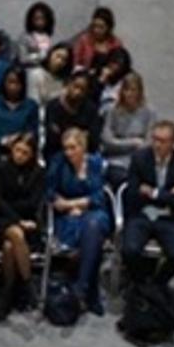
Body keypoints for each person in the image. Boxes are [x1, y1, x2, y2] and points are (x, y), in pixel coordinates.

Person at [47, 127, 112, 317]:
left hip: (92, 211)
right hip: (67, 217)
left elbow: (101, 196)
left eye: (73, 148)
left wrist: (77, 204)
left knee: (94, 224)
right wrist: (65, 206)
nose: (68, 152)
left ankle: (81, 287)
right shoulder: (58, 162)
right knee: (93, 235)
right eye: (66, 148)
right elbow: (50, 191)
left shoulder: (96, 163)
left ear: (83, 147)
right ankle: (90, 291)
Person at [119, 121, 174, 289]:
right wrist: (169, 194)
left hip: (168, 217)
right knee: (129, 250)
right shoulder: (139, 158)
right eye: (154, 139)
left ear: (173, 142)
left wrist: (153, 193)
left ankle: (156, 285)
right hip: (141, 214)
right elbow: (132, 194)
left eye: (162, 141)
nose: (157, 144)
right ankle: (141, 283)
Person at [0, 132, 45, 320]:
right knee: (15, 233)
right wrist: (18, 219)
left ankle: (7, 292)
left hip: (29, 223)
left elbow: (34, 203)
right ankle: (28, 284)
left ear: (31, 155)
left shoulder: (38, 173)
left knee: (9, 246)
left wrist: (22, 215)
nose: (19, 155)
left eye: (25, 152)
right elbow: (0, 200)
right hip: (4, 220)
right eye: (17, 150)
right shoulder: (1, 168)